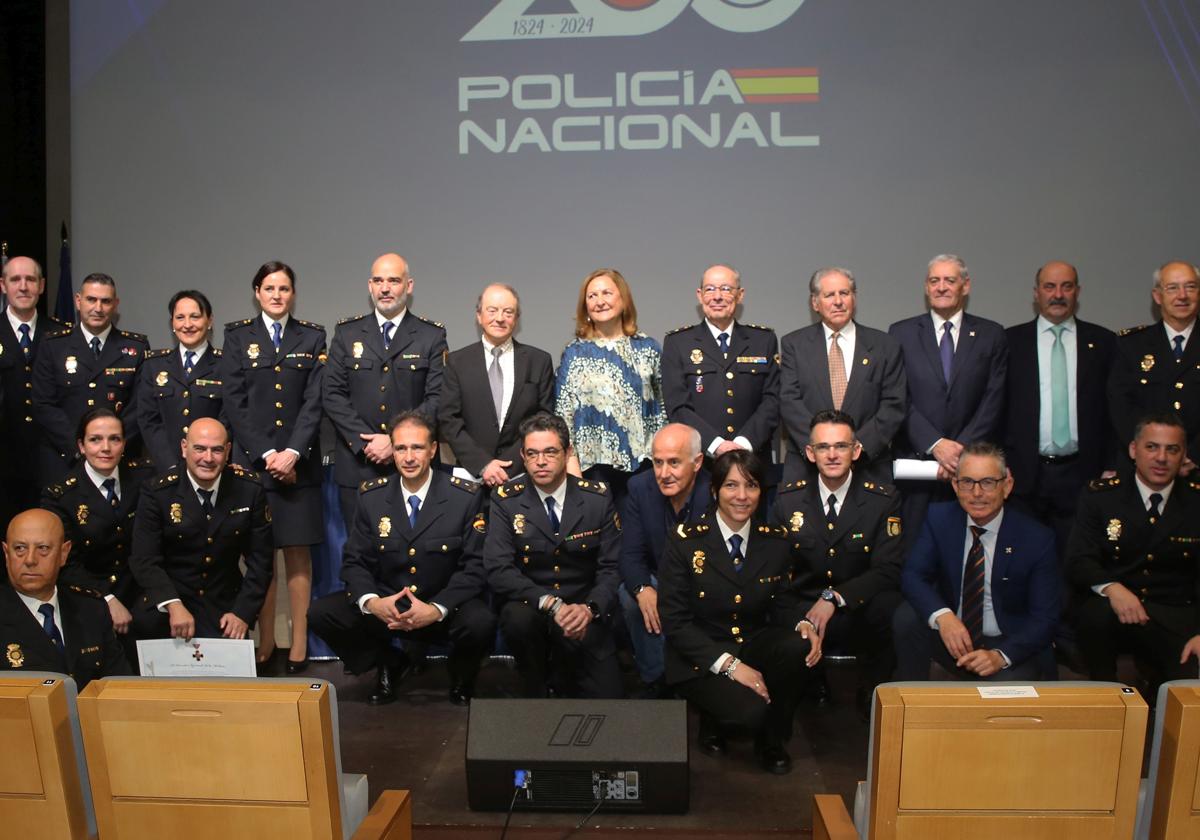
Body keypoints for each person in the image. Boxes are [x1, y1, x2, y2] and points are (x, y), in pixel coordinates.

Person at [308, 412, 495, 705]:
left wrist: (436, 608)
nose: (408, 457)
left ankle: (461, 675)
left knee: (480, 620)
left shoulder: (464, 497)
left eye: (417, 448)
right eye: (401, 448)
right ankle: (389, 662)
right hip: (390, 605)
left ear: (433, 449)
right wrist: (373, 602)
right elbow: (355, 561)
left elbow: (474, 567)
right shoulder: (372, 496)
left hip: (441, 604)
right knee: (322, 613)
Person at [659, 449, 821, 775]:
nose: (742, 496)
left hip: (751, 641)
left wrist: (804, 624)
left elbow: (783, 603)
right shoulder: (685, 542)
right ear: (715, 490)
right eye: (732, 486)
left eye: (752, 486)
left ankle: (772, 742)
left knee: (799, 645)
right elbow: (675, 622)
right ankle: (712, 716)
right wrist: (731, 667)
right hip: (700, 656)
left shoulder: (774, 541)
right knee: (749, 714)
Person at [221, 262, 326, 672]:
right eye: (269, 288)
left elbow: (315, 402)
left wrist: (293, 453)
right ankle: (265, 639)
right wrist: (267, 454)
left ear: (293, 294)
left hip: (300, 466)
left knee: (298, 554)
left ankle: (299, 639)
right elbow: (234, 402)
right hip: (253, 465)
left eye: (284, 288)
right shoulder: (237, 337)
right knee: (260, 556)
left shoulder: (313, 336)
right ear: (257, 292)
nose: (277, 295)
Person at [771, 410, 904, 716]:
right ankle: (809, 682)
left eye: (841, 446)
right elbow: (776, 569)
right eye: (823, 447)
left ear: (856, 451)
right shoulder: (788, 500)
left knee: (891, 606)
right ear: (809, 452)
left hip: (855, 607)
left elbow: (888, 569)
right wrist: (800, 615)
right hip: (804, 608)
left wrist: (834, 598)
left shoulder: (883, 499)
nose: (832, 455)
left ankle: (874, 687)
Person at [483, 411, 623, 698]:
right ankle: (533, 680)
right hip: (532, 606)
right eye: (532, 454)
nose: (541, 462)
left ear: (568, 452)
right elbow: (498, 569)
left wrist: (590, 608)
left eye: (550, 452)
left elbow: (612, 567)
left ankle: (562, 675)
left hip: (582, 609)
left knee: (609, 698)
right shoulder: (506, 500)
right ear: (522, 455)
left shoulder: (597, 497)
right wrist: (550, 604)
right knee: (517, 618)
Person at [894, 442, 1060, 681]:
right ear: (955, 484)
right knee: (906, 618)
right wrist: (943, 616)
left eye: (988, 482)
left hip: (1008, 643)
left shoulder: (1037, 538)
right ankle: (911, 706)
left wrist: (1000, 655)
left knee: (1003, 703)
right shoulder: (939, 519)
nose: (977, 493)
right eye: (967, 482)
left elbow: (1046, 618)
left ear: (1007, 486)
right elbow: (912, 575)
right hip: (954, 635)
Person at [1067, 413, 1200, 684]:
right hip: (1113, 611)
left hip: (1174, 613)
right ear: (1133, 450)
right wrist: (1112, 588)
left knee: (1186, 694)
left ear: (1183, 455)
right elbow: (1079, 559)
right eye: (1151, 447)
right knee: (1094, 617)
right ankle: (1106, 704)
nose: (1161, 458)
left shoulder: (1196, 502)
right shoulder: (1102, 497)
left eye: (1171, 449)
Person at [324, 252, 447, 531]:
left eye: (393, 280)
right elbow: (332, 394)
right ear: (370, 286)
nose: (385, 288)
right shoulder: (347, 333)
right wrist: (367, 443)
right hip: (358, 464)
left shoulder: (431, 335)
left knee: (416, 552)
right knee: (359, 556)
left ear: (409, 285)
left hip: (413, 463)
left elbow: (437, 398)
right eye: (378, 281)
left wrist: (395, 442)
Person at [888, 254, 1008, 539]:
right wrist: (935, 444)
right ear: (926, 288)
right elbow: (897, 396)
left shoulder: (991, 335)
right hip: (917, 466)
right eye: (934, 281)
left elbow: (994, 398)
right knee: (914, 551)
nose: (941, 287)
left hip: (972, 471)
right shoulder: (901, 333)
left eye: (949, 280)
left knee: (968, 549)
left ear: (965, 286)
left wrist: (960, 453)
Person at [1004, 261, 1117, 553]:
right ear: (1036, 293)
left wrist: (1111, 466)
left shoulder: (1103, 342)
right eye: (1049, 287)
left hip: (1082, 474)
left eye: (1066, 286)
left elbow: (1114, 412)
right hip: (1024, 476)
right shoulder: (1010, 342)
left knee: (1077, 560)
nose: (1058, 294)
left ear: (1077, 292)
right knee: (1024, 559)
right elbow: (997, 409)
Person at [128, 418, 274, 642]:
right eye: (200, 449)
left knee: (230, 671)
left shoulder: (249, 490)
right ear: (184, 448)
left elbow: (261, 562)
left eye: (216, 450)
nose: (208, 458)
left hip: (225, 605)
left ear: (227, 451)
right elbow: (144, 560)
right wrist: (173, 605)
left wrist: (242, 613)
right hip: (170, 600)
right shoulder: (158, 492)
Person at [40, 407, 155, 663]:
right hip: (87, 595)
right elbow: (66, 562)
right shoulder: (60, 496)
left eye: (114, 439)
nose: (106, 447)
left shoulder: (145, 481)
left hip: (141, 594)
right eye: (95, 439)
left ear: (124, 444)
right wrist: (107, 599)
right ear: (81, 446)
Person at [780, 267, 906, 483]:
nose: (838, 301)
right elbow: (789, 402)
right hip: (807, 469)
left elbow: (893, 405)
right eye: (829, 295)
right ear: (815, 303)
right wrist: (820, 448)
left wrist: (856, 448)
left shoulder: (885, 345)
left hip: (869, 466)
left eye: (844, 293)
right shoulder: (794, 345)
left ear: (854, 298)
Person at [555, 268, 666, 504]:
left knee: (640, 538)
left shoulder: (648, 349)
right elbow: (563, 414)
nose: (599, 301)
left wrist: (664, 462)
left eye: (606, 293)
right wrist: (570, 463)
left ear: (623, 299)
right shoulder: (574, 353)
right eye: (592, 296)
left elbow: (662, 410)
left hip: (643, 467)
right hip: (591, 469)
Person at [618, 423, 712, 697]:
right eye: (658, 462)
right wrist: (642, 588)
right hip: (658, 576)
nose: (663, 473)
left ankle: (699, 677)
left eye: (674, 463)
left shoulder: (717, 488)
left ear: (697, 462)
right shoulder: (639, 487)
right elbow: (630, 553)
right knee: (630, 598)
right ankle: (656, 679)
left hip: (703, 580)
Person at [32, 272, 149, 485]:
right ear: (78, 301)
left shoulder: (135, 348)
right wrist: (80, 448)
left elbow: (140, 407)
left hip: (119, 464)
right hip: (66, 460)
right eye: (91, 299)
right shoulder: (53, 346)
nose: (98, 308)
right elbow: (44, 404)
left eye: (105, 301)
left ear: (115, 304)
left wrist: (112, 448)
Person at [438, 283, 555, 487]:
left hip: (521, 476)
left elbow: (543, 419)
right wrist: (484, 464)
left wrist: (509, 466)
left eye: (508, 312)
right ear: (479, 316)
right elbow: (448, 420)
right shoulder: (457, 362)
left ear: (516, 319)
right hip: (470, 477)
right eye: (492, 310)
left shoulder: (539, 361)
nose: (499, 318)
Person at [1, 508, 131, 687]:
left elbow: (119, 685)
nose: (30, 559)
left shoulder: (91, 608)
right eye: (20, 548)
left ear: (64, 553)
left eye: (43, 548)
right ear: (6, 554)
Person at [661, 264, 780, 460]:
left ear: (740, 295)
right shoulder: (678, 343)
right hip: (701, 462)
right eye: (710, 289)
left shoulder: (763, 340)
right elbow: (677, 406)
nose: (717, 296)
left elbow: (773, 400)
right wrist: (715, 445)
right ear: (699, 295)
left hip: (754, 459)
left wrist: (743, 443)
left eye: (726, 289)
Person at [1108, 261, 1200, 470]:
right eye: (1172, 288)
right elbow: (1121, 407)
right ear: (1158, 296)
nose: (1182, 295)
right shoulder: (1130, 345)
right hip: (1144, 471)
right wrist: (1151, 455)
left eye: (1190, 287)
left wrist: (1192, 456)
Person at [0, 256, 67, 524]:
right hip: (4, 461)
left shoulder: (62, 335)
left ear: (41, 286)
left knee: (52, 536)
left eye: (30, 279)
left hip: (52, 460)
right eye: (15, 279)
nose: (23, 286)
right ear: (3, 285)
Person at [137, 290, 225, 469]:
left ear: (209, 321)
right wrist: (169, 464)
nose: (187, 324)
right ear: (172, 324)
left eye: (195, 317)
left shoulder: (226, 365)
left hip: (211, 467)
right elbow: (148, 420)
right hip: (165, 467)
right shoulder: (154, 365)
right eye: (180, 317)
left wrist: (206, 460)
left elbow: (228, 419)